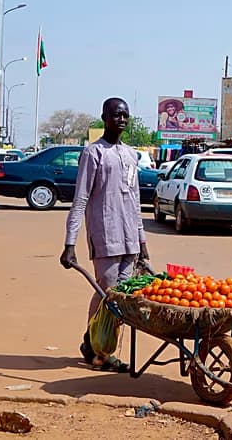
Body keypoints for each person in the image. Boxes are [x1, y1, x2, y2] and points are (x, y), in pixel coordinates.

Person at [60, 97, 149, 373]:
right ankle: (97, 348)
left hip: (130, 238)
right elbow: (80, 200)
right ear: (104, 118)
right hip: (105, 234)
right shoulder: (93, 153)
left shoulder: (131, 154)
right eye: (115, 115)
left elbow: (135, 200)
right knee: (107, 291)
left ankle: (96, 346)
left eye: (125, 115)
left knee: (121, 299)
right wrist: (70, 243)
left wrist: (142, 241)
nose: (121, 119)